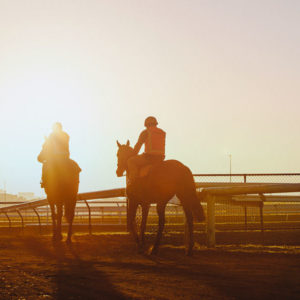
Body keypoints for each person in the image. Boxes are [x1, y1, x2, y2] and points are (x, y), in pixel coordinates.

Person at [127, 116, 166, 184]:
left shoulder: (146, 132)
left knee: (131, 161)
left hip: (150, 158)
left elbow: (138, 147)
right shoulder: (162, 132)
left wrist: (132, 154)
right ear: (155, 124)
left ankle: (134, 183)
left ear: (146, 125)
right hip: (160, 158)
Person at [39, 122, 70, 187]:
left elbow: (50, 144)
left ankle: (43, 181)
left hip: (56, 157)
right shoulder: (66, 135)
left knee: (45, 165)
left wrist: (46, 139)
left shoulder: (52, 135)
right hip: (66, 156)